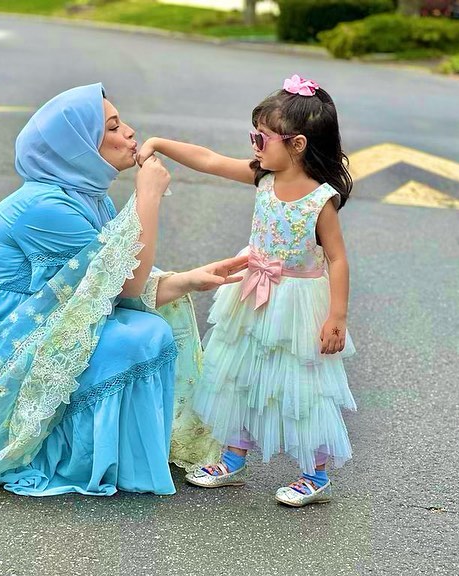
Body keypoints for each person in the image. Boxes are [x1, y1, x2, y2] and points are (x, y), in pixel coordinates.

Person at [0, 83, 250, 496]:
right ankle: (80, 458)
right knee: (141, 335)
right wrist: (148, 196)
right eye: (114, 128)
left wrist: (191, 278)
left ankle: (119, 455)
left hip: (36, 317)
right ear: (78, 146)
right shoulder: (45, 206)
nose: (131, 133)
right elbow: (127, 281)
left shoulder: (86, 196)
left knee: (150, 326)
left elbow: (111, 282)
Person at [136, 75, 356, 507]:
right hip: (252, 289)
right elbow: (209, 159)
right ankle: (234, 458)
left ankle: (315, 472)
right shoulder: (262, 178)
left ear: (296, 144)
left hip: (297, 302)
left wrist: (337, 315)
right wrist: (160, 142)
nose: (254, 144)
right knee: (238, 372)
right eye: (253, 135)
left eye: (262, 137)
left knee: (300, 384)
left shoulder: (320, 199)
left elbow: (338, 259)